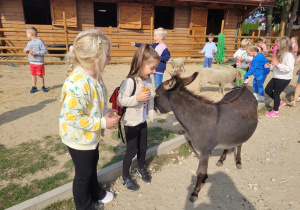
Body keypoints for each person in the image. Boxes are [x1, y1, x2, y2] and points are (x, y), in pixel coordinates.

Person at [59, 29, 118, 209]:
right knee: (83, 175)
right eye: (107, 55)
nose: (109, 59)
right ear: (94, 58)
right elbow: (72, 117)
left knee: (92, 165)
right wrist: (102, 123)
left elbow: (95, 103)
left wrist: (105, 112)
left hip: (90, 136)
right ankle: (84, 206)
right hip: (78, 138)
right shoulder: (77, 82)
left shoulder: (95, 76)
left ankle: (96, 192)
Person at [117, 44, 160, 191]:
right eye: (152, 68)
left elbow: (151, 98)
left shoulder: (148, 81)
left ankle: (140, 168)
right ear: (141, 64)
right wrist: (137, 97)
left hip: (142, 121)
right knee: (131, 150)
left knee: (143, 147)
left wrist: (153, 110)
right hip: (131, 122)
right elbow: (120, 100)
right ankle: (125, 176)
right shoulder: (130, 82)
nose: (154, 72)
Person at [264, 36, 295, 117]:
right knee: (267, 90)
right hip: (276, 76)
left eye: (278, 46)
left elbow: (289, 68)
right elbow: (275, 66)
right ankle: (280, 102)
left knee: (276, 94)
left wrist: (278, 65)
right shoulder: (279, 54)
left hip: (284, 78)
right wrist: (270, 66)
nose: (276, 47)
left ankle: (275, 111)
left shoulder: (289, 56)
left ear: (284, 46)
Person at [24, 27, 48, 93]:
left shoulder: (40, 41)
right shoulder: (29, 43)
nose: (26, 35)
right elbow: (25, 50)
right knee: (33, 75)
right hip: (32, 62)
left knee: (40, 75)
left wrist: (36, 53)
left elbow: (44, 51)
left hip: (39, 62)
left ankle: (43, 86)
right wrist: (26, 50)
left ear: (31, 34)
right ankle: (34, 87)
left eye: (27, 33)